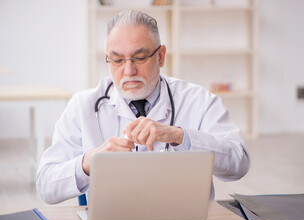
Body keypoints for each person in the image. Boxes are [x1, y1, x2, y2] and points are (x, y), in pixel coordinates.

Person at [36, 9, 250, 204]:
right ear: (107, 59)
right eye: (118, 60)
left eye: (139, 58)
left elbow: (239, 164)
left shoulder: (199, 100)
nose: (129, 71)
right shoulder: (83, 105)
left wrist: (180, 137)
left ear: (161, 56)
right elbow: (46, 186)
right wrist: (89, 162)